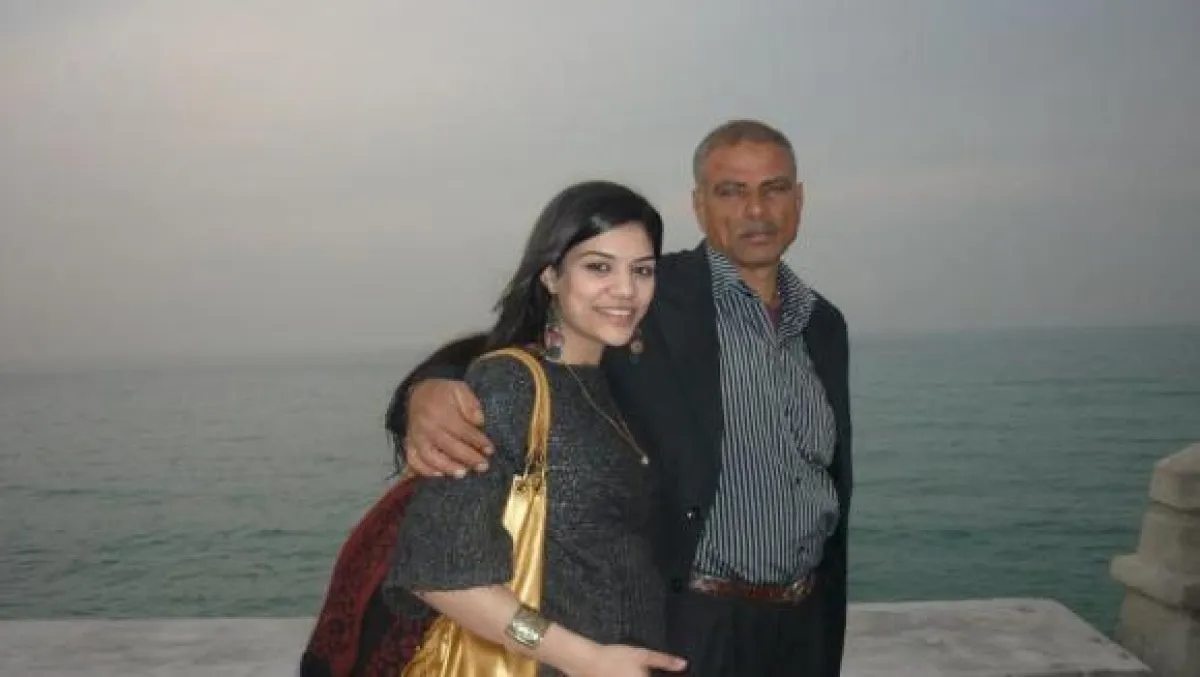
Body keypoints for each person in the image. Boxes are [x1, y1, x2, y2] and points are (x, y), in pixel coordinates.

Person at [398, 119, 852, 677]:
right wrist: (430, 390)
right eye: (731, 191)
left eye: (774, 188)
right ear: (699, 205)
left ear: (799, 199)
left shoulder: (823, 324)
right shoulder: (650, 296)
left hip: (803, 621)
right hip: (695, 622)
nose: (756, 209)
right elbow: (519, 352)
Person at [382, 180, 688, 677]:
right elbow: (439, 572)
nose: (626, 290)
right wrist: (583, 658)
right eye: (599, 267)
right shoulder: (511, 383)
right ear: (550, 275)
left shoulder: (608, 383)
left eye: (642, 270)